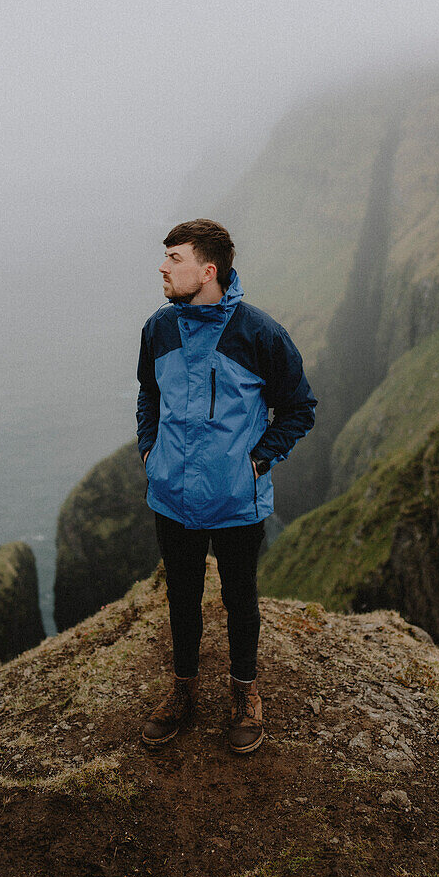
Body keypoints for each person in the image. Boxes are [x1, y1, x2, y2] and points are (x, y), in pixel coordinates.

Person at [136, 219, 317, 753]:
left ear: (207, 270)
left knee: (241, 598)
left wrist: (259, 461)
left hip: (237, 497)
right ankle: (183, 692)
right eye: (165, 257)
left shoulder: (259, 333)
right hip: (172, 494)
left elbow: (299, 407)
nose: (163, 267)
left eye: (175, 258)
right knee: (183, 598)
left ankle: (245, 694)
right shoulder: (158, 329)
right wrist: (150, 451)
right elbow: (149, 395)